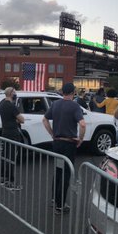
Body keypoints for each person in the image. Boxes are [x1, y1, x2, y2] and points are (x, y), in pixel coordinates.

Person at [43, 83, 86, 214]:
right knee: (66, 174)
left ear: (62, 92)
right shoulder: (75, 106)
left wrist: (52, 133)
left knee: (57, 171)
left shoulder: (55, 104)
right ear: (73, 92)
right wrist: (81, 139)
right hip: (68, 144)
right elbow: (82, 124)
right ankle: (60, 206)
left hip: (57, 143)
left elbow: (44, 119)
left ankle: (54, 200)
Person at [0, 87, 24, 191]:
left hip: (5, 132)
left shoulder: (2, 105)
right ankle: (10, 182)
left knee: (5, 157)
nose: (15, 94)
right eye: (14, 92)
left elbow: (7, 118)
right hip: (13, 134)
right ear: (11, 94)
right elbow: (22, 120)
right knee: (11, 158)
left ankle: (4, 179)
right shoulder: (12, 106)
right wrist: (16, 120)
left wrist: (14, 119)